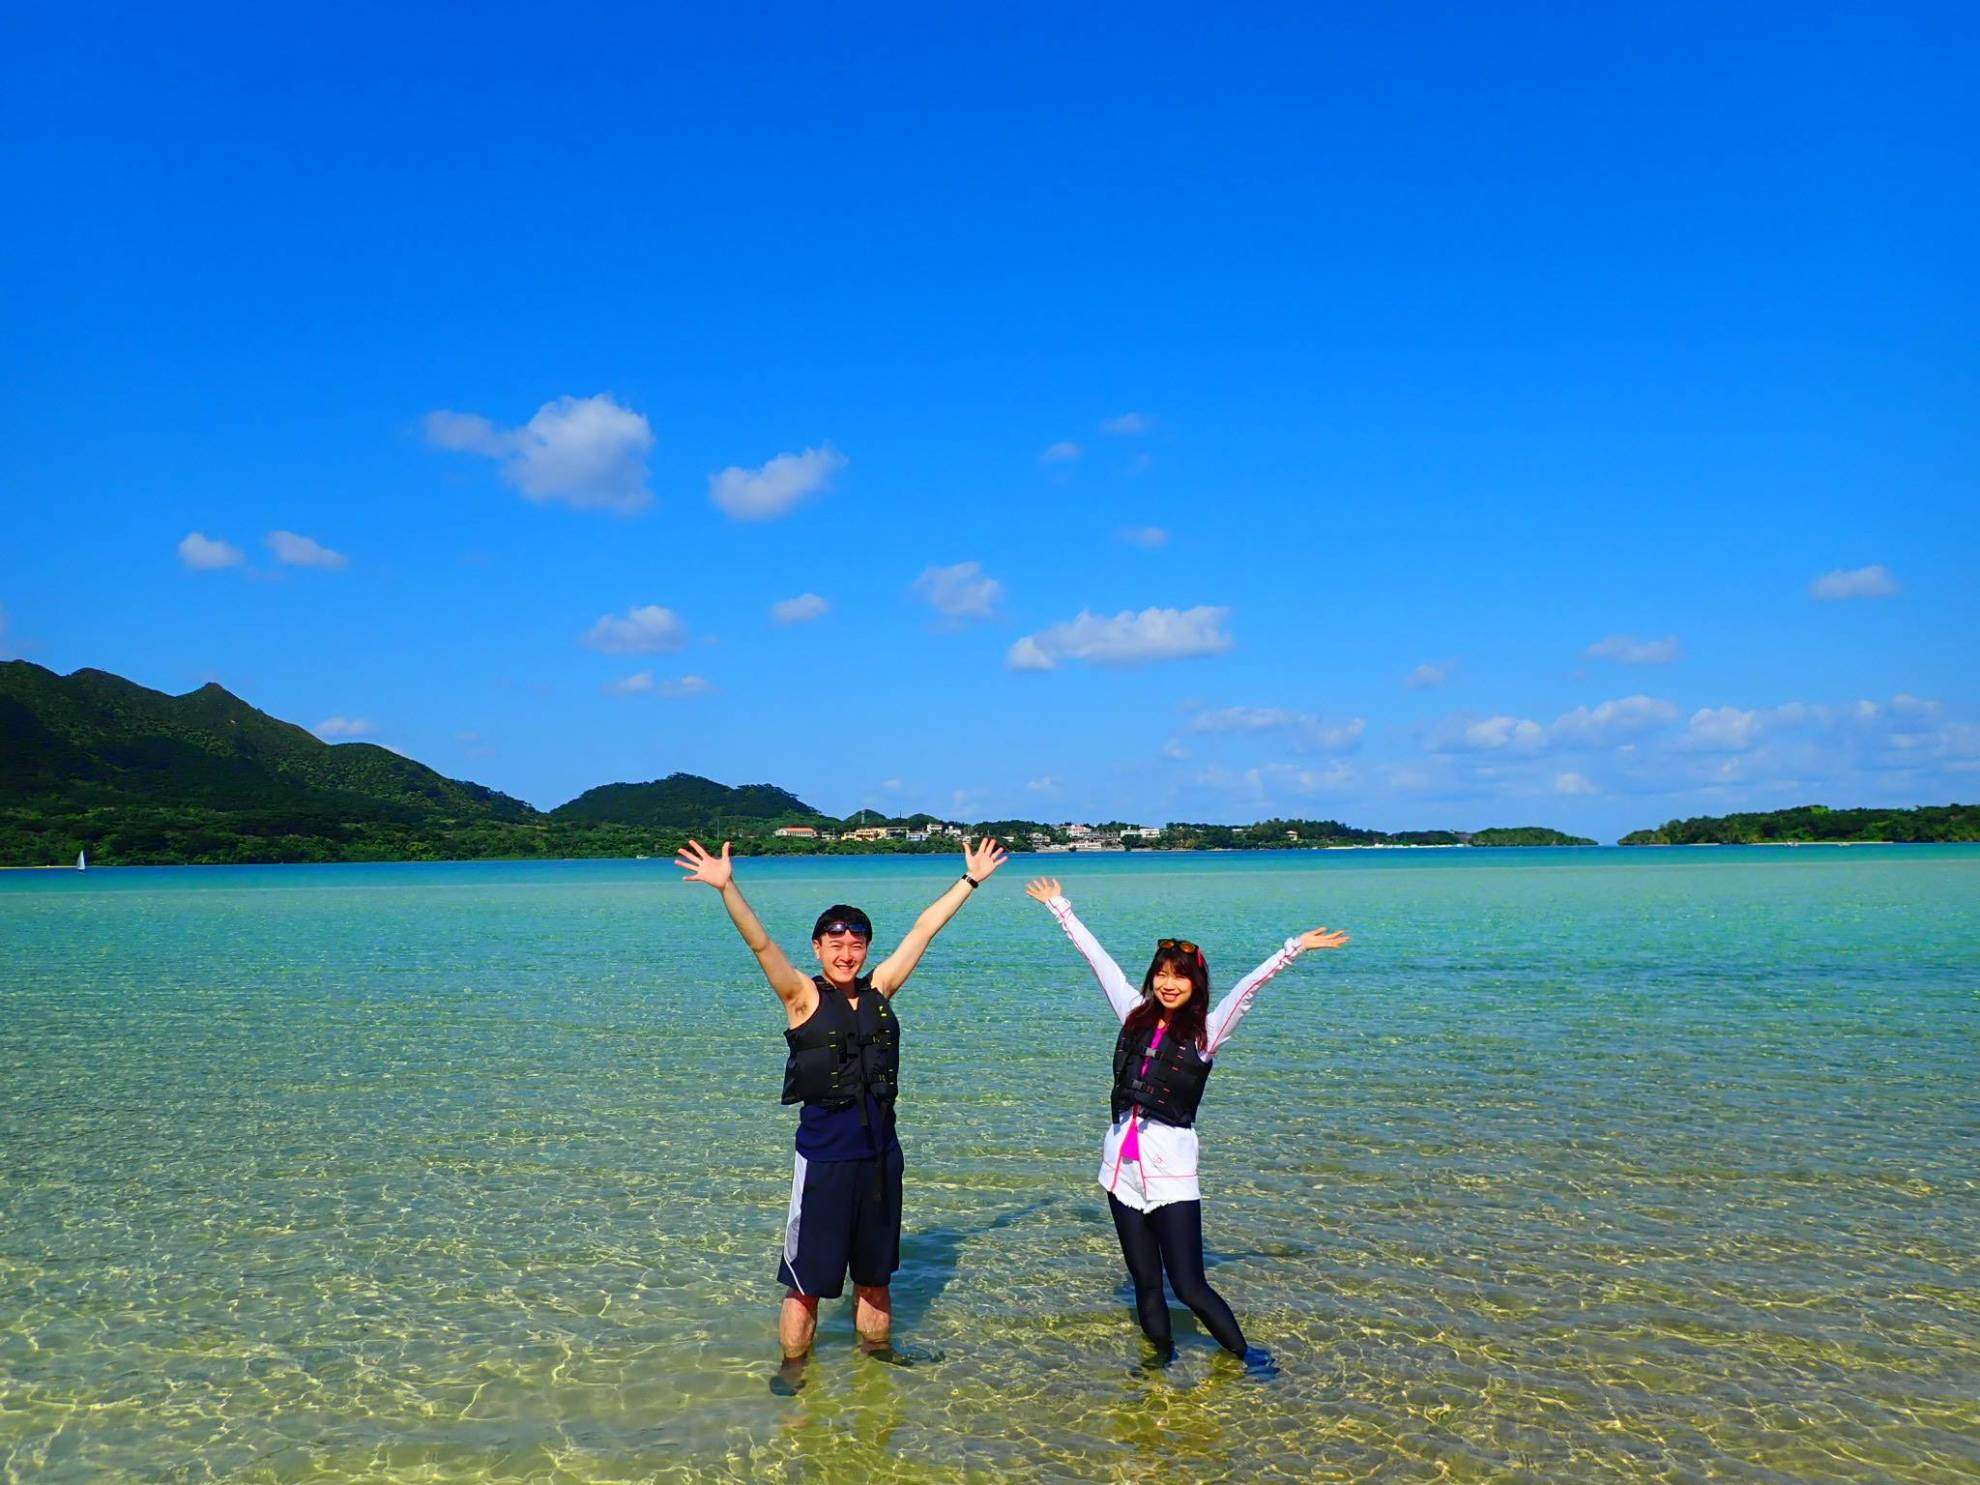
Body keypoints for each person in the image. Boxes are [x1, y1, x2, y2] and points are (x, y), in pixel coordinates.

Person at [677, 835, 1008, 1372]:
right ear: (817, 948)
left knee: (876, 1278)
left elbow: (923, 930)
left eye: (856, 945)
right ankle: (793, 1369)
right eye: (835, 945)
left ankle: (877, 1362)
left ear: (866, 949)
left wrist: (969, 881)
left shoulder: (881, 988)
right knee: (805, 1283)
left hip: (880, 1157)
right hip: (826, 1160)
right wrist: (726, 887)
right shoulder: (801, 998)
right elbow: (761, 945)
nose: (846, 954)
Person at [1023, 875, 1349, 1367]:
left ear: (1195, 984)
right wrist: (1060, 908)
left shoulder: (1207, 1033)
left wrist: (1293, 949)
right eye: (1162, 974)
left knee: (1190, 1284)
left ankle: (1248, 1359)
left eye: (1180, 976)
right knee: (1145, 1283)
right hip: (1121, 1173)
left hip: (1172, 1175)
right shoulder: (1132, 1012)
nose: (1168, 983)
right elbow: (1099, 962)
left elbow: (1247, 990)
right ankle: (1158, 1363)